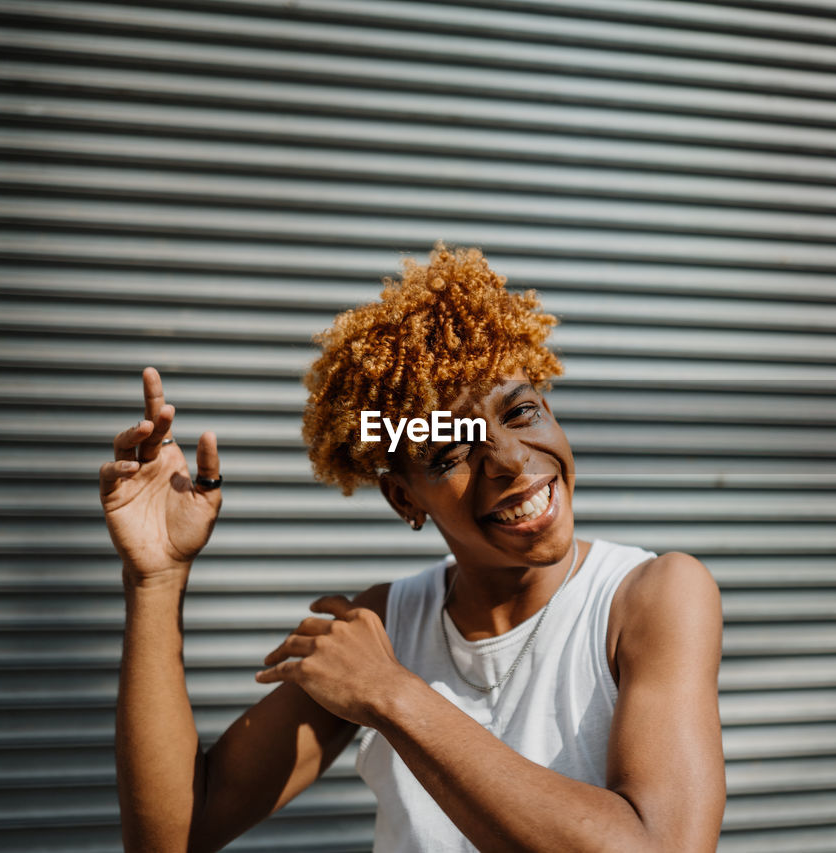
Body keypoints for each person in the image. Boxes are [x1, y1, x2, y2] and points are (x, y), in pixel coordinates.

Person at [101, 244, 725, 852]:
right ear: (405, 499)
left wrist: (392, 695)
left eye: (523, 412)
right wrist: (155, 581)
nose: (511, 461)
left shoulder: (650, 596)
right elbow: (171, 837)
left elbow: (660, 845)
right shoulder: (385, 627)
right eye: (451, 452)